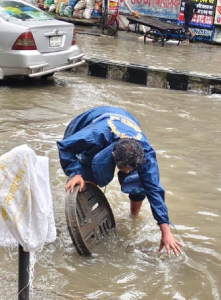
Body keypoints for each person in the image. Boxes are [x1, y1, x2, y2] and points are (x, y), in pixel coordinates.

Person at [58, 106, 183, 256]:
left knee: (139, 183)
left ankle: (134, 214)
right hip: (87, 125)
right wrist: (75, 173)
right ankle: (83, 218)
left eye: (130, 169)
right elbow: (65, 147)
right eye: (123, 168)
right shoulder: (96, 136)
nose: (127, 172)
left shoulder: (147, 155)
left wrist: (166, 230)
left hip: (125, 120)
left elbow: (154, 190)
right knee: (84, 177)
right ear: (113, 157)